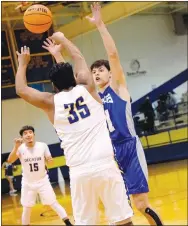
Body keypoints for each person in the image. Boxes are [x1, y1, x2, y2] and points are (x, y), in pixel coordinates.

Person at [14, 33, 133, 224]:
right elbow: (78, 57)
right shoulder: (87, 86)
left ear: (53, 85)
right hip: (105, 165)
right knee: (123, 220)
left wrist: (22, 63)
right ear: (74, 77)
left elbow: (21, 89)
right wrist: (63, 40)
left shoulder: (50, 102)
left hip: (79, 172)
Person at [86, 3, 163, 226]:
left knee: (141, 205)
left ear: (110, 74)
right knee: (117, 212)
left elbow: (112, 54)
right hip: (108, 156)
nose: (96, 73)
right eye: (94, 71)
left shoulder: (118, 89)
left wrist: (100, 25)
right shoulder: (93, 99)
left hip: (128, 148)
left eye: (101, 69)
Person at [8, 125, 72, 226]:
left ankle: (68, 223)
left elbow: (50, 161)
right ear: (22, 137)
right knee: (27, 207)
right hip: (28, 183)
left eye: (30, 132)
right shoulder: (20, 148)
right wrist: (15, 146)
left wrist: (49, 160)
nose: (28, 135)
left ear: (34, 134)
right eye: (25, 133)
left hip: (43, 181)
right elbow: (10, 160)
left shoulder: (42, 146)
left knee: (53, 203)